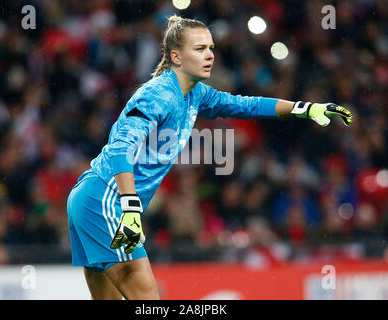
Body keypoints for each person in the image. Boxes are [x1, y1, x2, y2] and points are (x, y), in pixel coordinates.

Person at [66, 15, 353, 300]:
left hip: (93, 198)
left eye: (211, 48)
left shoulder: (195, 93)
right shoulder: (157, 95)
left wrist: (305, 109)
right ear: (176, 57)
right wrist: (130, 209)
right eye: (200, 49)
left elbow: (246, 105)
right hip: (106, 201)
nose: (209, 55)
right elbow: (119, 149)